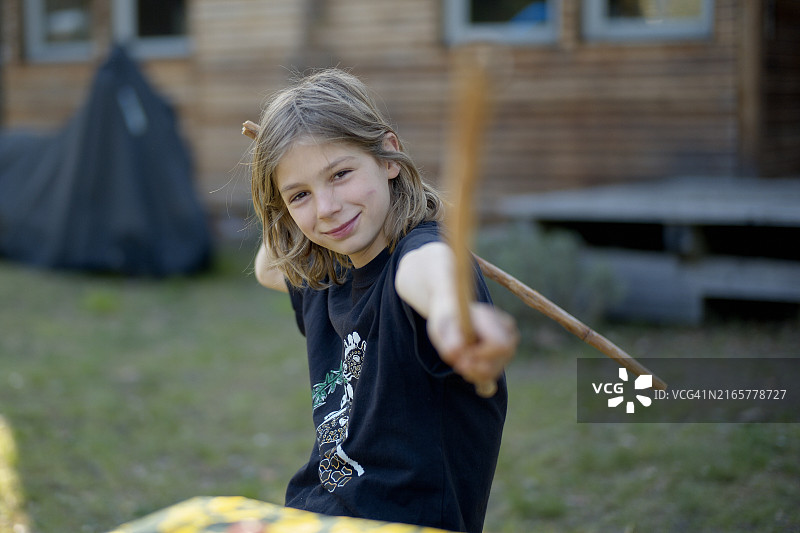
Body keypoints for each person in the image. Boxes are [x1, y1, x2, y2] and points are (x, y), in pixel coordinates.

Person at [249, 68, 518, 533]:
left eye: (341, 174)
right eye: (301, 196)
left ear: (389, 155)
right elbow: (268, 268)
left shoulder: (421, 254)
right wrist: (279, 159)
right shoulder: (328, 271)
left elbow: (430, 278)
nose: (327, 207)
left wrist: (458, 317)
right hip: (312, 516)